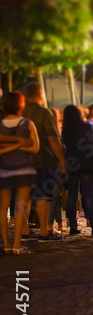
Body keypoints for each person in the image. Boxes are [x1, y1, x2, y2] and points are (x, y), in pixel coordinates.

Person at [23, 82, 66, 242]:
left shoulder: (21, 111)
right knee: (43, 196)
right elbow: (53, 138)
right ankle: (43, 232)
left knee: (25, 197)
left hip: (23, 160)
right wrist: (61, 159)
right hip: (43, 160)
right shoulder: (44, 113)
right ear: (41, 94)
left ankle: (24, 230)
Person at [0, 92, 39, 254]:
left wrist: (9, 148)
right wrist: (20, 144)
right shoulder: (28, 123)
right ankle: (17, 246)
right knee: (21, 206)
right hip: (25, 168)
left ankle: (6, 245)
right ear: (21, 106)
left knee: (3, 207)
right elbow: (35, 148)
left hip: (4, 169)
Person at [61, 105, 93, 236]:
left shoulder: (66, 130)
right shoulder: (88, 127)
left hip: (72, 166)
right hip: (87, 165)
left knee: (72, 197)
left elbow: (65, 147)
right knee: (88, 196)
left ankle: (73, 226)